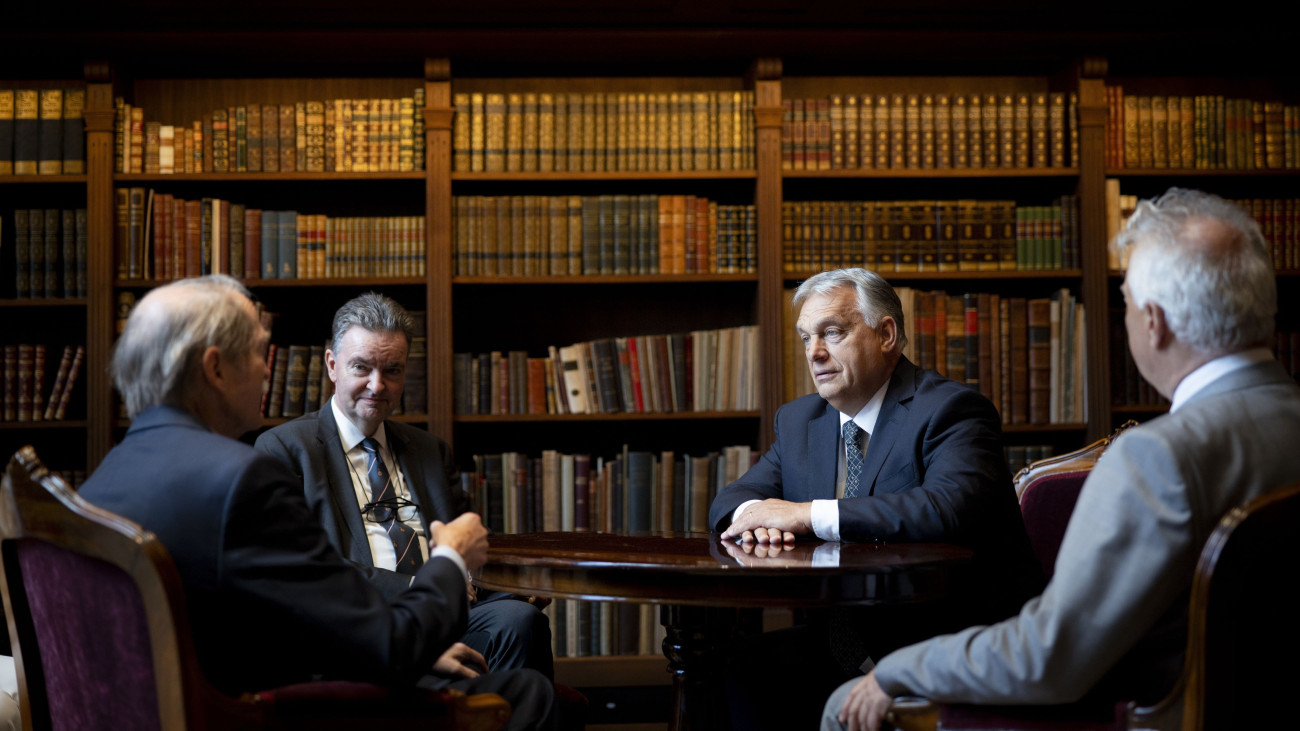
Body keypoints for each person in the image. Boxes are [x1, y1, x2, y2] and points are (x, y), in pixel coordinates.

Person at [824, 188, 1300, 731]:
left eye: (1125, 301)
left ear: (1154, 322)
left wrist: (897, 669)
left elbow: (1048, 658)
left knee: (844, 704)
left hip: (1142, 714)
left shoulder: (1157, 458)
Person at [79, 276, 554, 731]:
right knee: (529, 694)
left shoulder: (98, 487)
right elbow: (384, 644)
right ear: (216, 368)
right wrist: (448, 558)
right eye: (259, 353)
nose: (268, 370)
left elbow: (275, 619)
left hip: (178, 705)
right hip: (273, 711)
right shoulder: (240, 479)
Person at [708, 267, 1041, 729]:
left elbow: (945, 507)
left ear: (886, 335)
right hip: (838, 643)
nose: (814, 352)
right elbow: (734, 496)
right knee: (734, 668)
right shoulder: (802, 420)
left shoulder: (951, 409)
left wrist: (805, 515)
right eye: (806, 338)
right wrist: (756, 516)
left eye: (832, 332)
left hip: (941, 647)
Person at [255, 292, 553, 679]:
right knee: (516, 644)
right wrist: (423, 584)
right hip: (360, 625)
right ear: (332, 365)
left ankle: (494, 704)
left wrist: (517, 584)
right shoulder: (285, 449)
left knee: (520, 618)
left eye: (392, 370)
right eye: (361, 367)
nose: (377, 386)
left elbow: (472, 546)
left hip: (449, 617)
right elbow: (305, 568)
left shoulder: (429, 450)